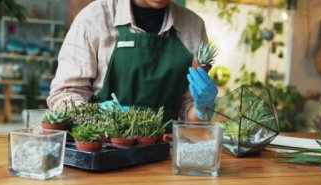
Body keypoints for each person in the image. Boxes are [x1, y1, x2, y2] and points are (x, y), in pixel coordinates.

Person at [47, 0, 218, 123]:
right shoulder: (95, 18)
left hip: (166, 153)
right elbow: (63, 95)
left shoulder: (193, 26)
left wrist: (200, 108)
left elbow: (189, 114)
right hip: (103, 147)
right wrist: (96, 112)